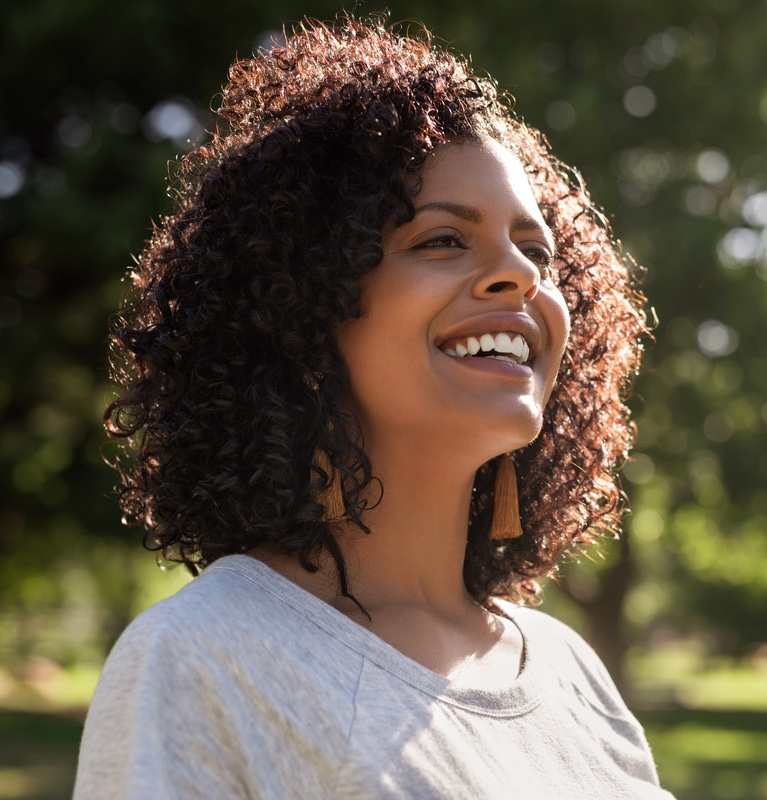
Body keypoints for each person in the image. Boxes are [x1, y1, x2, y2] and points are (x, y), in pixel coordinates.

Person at [74, 15, 675, 799]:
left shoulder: (567, 671)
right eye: (440, 241)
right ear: (303, 312)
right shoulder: (205, 656)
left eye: (537, 251)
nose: (519, 277)